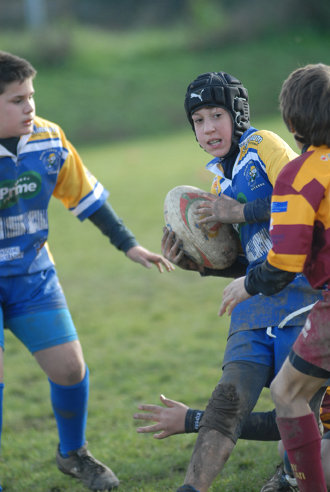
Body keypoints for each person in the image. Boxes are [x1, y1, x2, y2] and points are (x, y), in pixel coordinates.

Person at [136, 70, 324, 492]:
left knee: (293, 410)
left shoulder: (264, 145)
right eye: (198, 121)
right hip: (254, 304)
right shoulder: (219, 180)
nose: (208, 128)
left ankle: (295, 477)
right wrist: (198, 264)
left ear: (237, 114)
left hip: (301, 295)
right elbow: (248, 260)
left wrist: (235, 213)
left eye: (216, 115)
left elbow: (301, 195)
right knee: (227, 401)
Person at [0, 50, 174, 492]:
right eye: (17, 100)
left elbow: (88, 198)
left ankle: (72, 453)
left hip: (32, 275)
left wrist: (129, 245)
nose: (30, 107)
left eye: (31, 96)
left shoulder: (48, 140)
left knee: (70, 370)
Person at [219, 63, 330, 492]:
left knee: (287, 393)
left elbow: (285, 261)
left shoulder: (300, 174)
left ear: (291, 121)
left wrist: (245, 283)